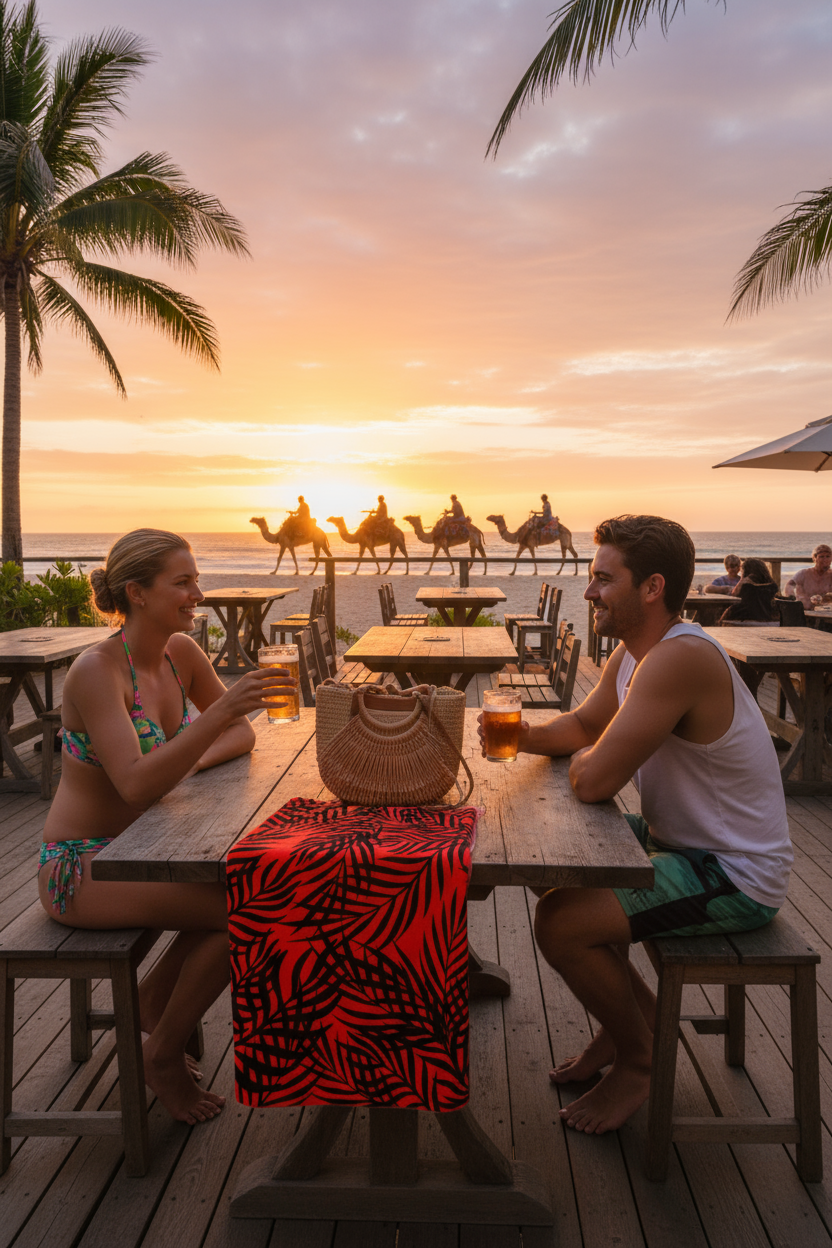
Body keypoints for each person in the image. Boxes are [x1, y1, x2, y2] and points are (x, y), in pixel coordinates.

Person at [479, 514, 791, 1135]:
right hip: (683, 843)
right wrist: (518, 734)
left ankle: (641, 1060)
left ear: (651, 587)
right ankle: (634, 1025)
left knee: (563, 922)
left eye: (602, 579)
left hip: (733, 871)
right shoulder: (635, 652)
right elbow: (583, 729)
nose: (589, 591)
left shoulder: (679, 659)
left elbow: (593, 778)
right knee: (553, 865)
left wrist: (598, 755)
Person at [38, 529, 296, 1127]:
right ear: (138, 592)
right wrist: (220, 716)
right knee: (250, 909)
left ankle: (152, 1002)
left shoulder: (181, 652)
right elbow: (134, 783)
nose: (196, 594)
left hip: (149, 852)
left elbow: (243, 734)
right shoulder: (97, 671)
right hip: (81, 865)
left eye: (194, 580)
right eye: (182, 583)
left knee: (257, 891)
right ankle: (160, 1055)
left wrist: (188, 753)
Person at [718, 558, 778, 625]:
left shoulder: (746, 586)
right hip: (768, 618)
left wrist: (742, 580)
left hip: (745, 617)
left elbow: (734, 594)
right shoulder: (772, 586)